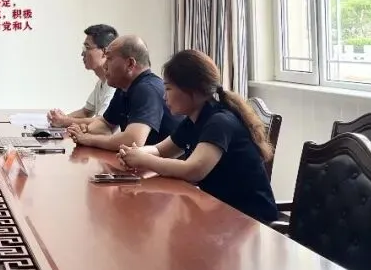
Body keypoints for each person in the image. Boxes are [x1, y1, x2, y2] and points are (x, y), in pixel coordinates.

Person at [118, 49, 279, 224]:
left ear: (193, 90)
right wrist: (134, 153)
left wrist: (144, 160)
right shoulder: (194, 120)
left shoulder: (219, 122)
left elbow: (193, 170)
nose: (164, 96)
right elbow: (160, 150)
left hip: (250, 220)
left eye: (168, 88)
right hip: (220, 211)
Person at [68, 35, 180, 150]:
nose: (104, 66)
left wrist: (87, 139)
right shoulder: (124, 88)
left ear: (130, 64)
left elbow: (133, 140)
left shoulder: (147, 89)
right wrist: (86, 130)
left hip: (166, 161)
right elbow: (106, 124)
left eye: (109, 59)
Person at [47, 24, 119, 128]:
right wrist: (60, 118)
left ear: (104, 52)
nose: (82, 53)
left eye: (87, 48)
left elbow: (101, 122)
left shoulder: (114, 84)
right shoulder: (101, 82)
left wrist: (64, 121)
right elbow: (86, 112)